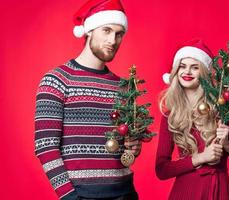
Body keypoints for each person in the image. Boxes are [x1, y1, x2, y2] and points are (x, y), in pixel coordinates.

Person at [34, 0, 141, 199]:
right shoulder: (56, 80)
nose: (113, 40)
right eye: (107, 30)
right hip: (82, 195)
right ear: (89, 30)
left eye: (119, 34)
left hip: (125, 192)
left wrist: (133, 147)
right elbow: (45, 147)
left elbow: (124, 142)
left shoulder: (125, 87)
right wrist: (69, 196)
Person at [155, 39, 229, 200]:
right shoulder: (171, 116)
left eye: (195, 67)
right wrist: (200, 158)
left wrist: (227, 144)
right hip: (184, 191)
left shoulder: (222, 110)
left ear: (204, 72)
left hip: (217, 189)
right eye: (182, 66)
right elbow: (161, 170)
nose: (187, 72)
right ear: (176, 72)